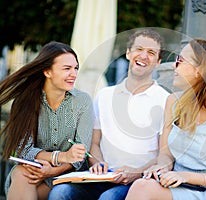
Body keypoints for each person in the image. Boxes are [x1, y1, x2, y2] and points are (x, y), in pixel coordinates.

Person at [48, 28, 170, 200]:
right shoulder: (104, 95)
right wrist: (97, 163)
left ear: (158, 62)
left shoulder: (165, 100)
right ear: (128, 53)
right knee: (60, 193)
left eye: (151, 53)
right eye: (139, 49)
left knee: (109, 198)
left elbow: (164, 154)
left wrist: (136, 172)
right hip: (102, 176)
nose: (143, 56)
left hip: (138, 182)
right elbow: (95, 142)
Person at [125, 39, 206, 200]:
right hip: (176, 183)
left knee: (142, 189)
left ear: (200, 70)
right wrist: (162, 167)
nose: (174, 66)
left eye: (180, 61)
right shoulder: (173, 102)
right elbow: (166, 154)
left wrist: (186, 177)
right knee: (142, 186)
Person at [0, 41, 94, 200]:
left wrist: (54, 169)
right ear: (47, 71)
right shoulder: (25, 102)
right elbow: (24, 150)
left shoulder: (82, 102)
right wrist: (60, 157)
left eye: (75, 68)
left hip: (68, 176)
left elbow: (79, 157)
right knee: (20, 172)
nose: (74, 74)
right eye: (67, 68)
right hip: (35, 170)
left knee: (22, 180)